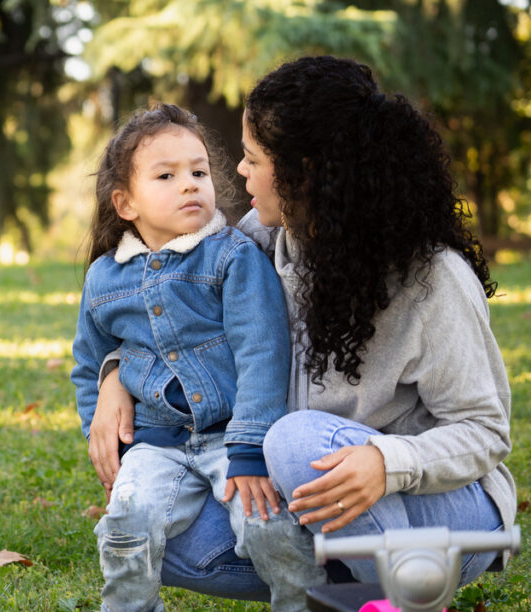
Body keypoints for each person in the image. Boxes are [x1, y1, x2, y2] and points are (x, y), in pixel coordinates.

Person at [92, 56, 515, 610]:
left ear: (305, 173)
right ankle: (346, 590)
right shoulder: (260, 243)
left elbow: (485, 430)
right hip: (315, 499)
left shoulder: (432, 279)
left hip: (437, 507)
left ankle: (395, 594)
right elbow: (171, 317)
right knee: (143, 533)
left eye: (252, 159)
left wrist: (388, 463)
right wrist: (115, 377)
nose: (239, 174)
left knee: (295, 442)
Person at [71, 103, 325, 612]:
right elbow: (90, 362)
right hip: (153, 445)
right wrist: (106, 441)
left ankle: (305, 604)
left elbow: (262, 352)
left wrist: (252, 447)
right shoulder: (104, 278)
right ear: (125, 203)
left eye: (199, 171)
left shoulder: (232, 257)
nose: (189, 184)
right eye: (166, 175)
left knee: (267, 526)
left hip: (232, 435)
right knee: (125, 526)